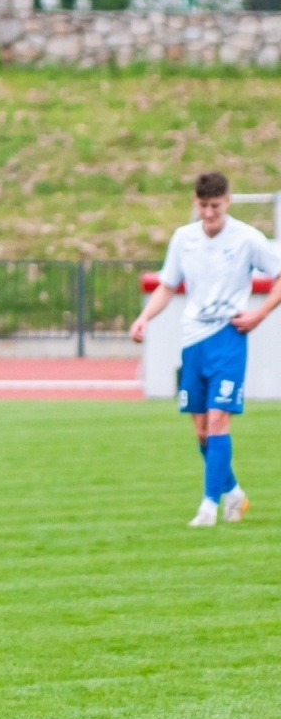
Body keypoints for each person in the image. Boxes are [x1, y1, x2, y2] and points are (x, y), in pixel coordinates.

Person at [130, 170, 281, 526]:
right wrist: (144, 318)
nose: (209, 213)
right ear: (195, 203)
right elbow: (167, 285)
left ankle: (208, 507)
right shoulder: (183, 238)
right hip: (192, 340)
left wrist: (259, 315)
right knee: (201, 431)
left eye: (215, 206)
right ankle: (234, 494)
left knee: (218, 421)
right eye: (203, 206)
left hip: (228, 337)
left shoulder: (247, 238)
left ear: (227, 201)